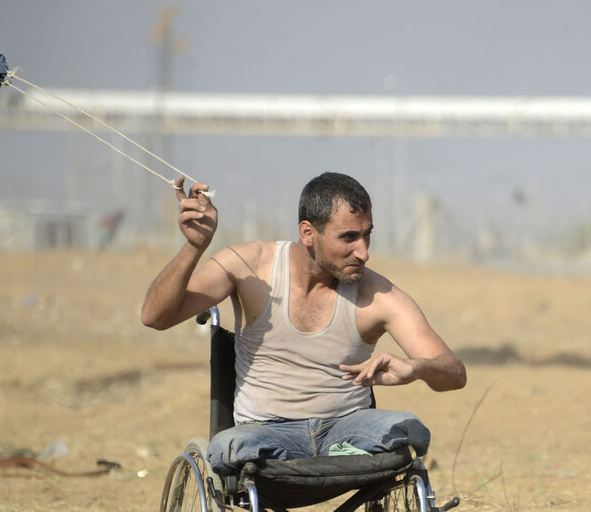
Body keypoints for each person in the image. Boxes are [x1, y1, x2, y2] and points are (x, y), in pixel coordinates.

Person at [141, 172, 466, 472]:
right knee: (228, 448)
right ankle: (307, 460)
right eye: (349, 237)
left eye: (367, 235)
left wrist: (418, 368)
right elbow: (155, 317)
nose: (363, 252)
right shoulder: (250, 266)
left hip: (347, 432)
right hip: (264, 435)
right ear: (308, 233)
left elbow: (454, 372)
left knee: (406, 428)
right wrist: (193, 248)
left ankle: (340, 456)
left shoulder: (378, 295)